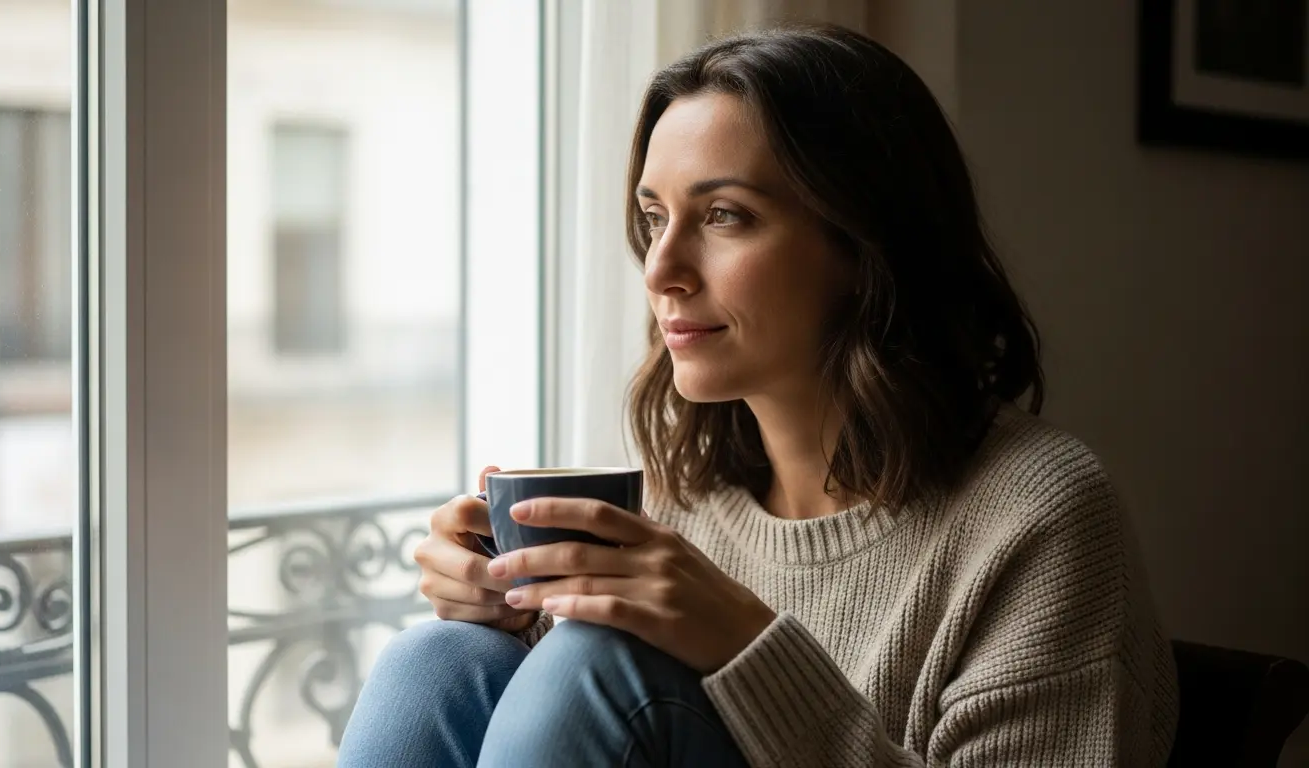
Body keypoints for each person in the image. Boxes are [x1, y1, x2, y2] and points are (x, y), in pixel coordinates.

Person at [337, 23, 1178, 768]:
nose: (661, 270)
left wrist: (747, 646)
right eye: (654, 217)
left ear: (862, 244)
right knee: (442, 662)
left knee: (596, 665)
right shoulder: (690, 504)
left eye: (724, 216)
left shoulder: (1037, 517)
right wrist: (509, 604)